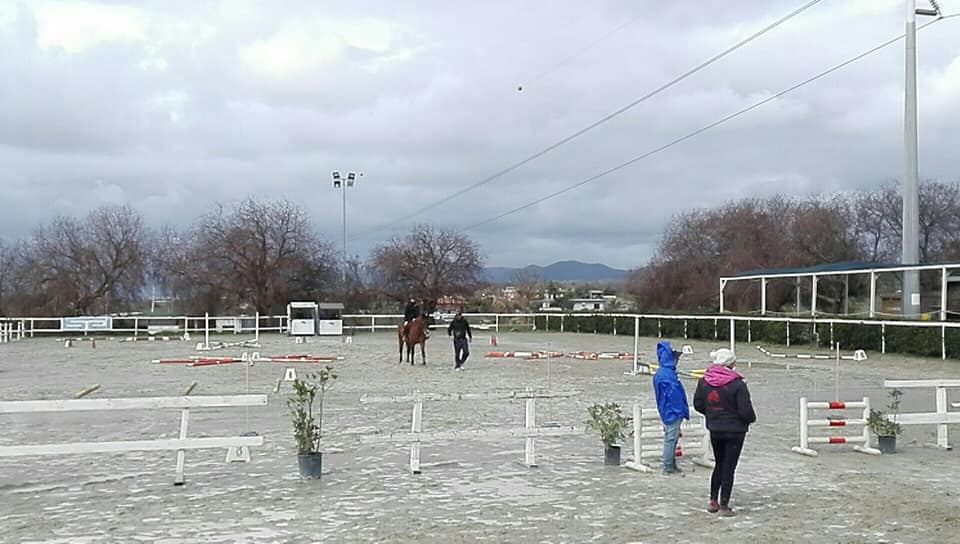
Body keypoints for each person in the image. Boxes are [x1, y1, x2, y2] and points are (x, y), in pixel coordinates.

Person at [693, 348, 757, 517]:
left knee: (719, 464)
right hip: (735, 430)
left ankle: (713, 500)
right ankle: (724, 505)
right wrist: (750, 419)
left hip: (715, 428)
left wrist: (713, 414)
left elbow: (698, 404)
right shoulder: (737, 384)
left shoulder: (704, 381)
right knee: (729, 467)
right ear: (731, 363)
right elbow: (745, 411)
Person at [653, 340, 689, 475]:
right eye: (677, 358)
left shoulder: (662, 373)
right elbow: (674, 395)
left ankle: (671, 465)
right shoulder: (668, 375)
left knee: (672, 438)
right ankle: (668, 467)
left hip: (667, 410)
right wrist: (680, 411)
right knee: (671, 439)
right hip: (672, 411)